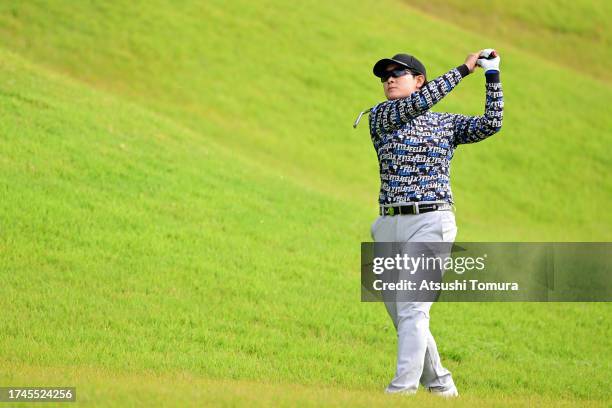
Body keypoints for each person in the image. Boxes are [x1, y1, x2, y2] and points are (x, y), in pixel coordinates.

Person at [358, 50, 504, 397]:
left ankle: (401, 391)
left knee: (413, 306)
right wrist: (461, 70)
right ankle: (441, 386)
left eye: (398, 73)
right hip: (388, 224)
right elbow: (421, 102)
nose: (389, 78)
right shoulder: (381, 115)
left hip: (431, 219)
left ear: (419, 79)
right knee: (403, 315)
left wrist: (490, 75)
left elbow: (490, 123)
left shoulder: (444, 123)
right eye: (384, 75)